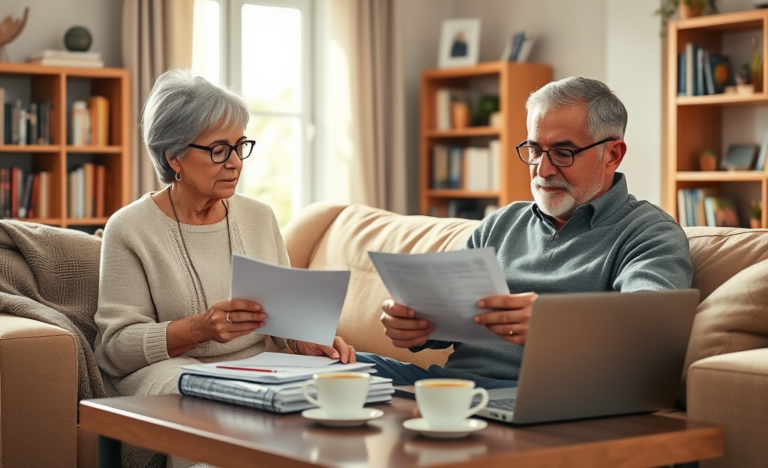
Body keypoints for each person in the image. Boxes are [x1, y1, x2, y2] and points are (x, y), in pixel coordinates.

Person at [357, 76, 693, 387]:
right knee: (328, 370)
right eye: (534, 150)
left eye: (563, 152)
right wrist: (415, 328)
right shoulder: (500, 224)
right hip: (454, 388)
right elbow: (448, 320)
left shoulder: (648, 233)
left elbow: (653, 330)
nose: (543, 170)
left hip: (538, 398)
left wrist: (554, 327)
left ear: (612, 154)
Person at [94, 69, 355, 467]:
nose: (235, 163)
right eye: (219, 150)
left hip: (254, 365)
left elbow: (282, 322)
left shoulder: (259, 216)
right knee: (211, 409)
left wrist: (305, 341)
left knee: (340, 394)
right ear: (174, 156)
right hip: (168, 370)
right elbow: (115, 348)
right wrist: (199, 328)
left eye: (240, 146)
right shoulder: (130, 228)